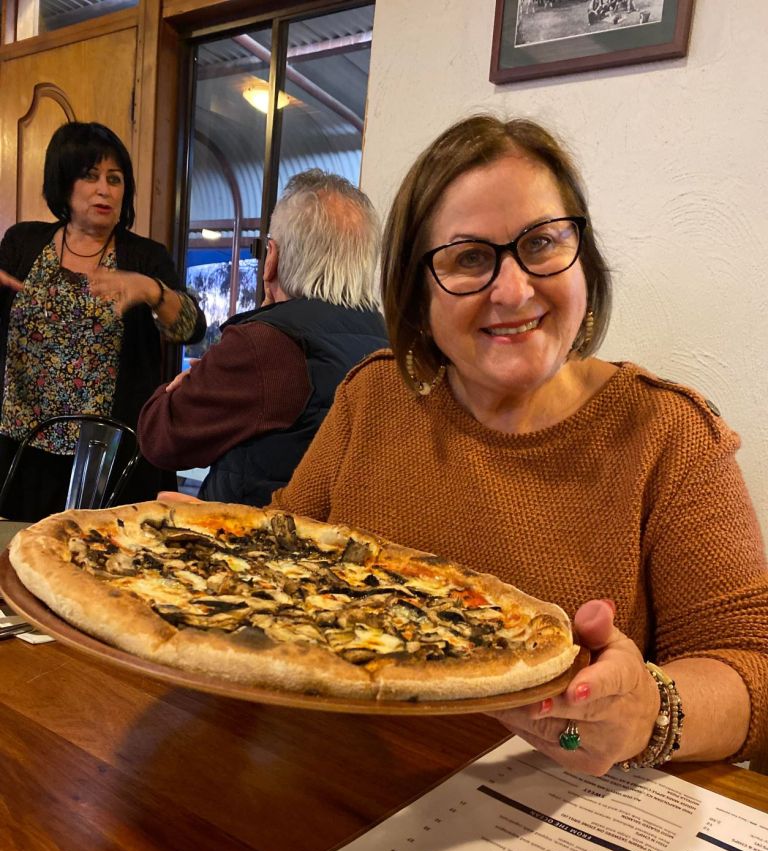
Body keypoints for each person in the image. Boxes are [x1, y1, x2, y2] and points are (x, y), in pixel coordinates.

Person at [263, 114, 768, 776]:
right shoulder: (373, 397)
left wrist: (650, 711)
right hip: (344, 776)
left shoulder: (669, 436)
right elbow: (280, 552)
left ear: (583, 259)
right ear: (416, 292)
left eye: (541, 243)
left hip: (559, 812)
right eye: (470, 258)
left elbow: (752, 666)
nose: (513, 289)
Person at [138, 169, 387, 507]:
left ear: (272, 257)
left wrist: (190, 384)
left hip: (253, 534)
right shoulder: (386, 338)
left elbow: (160, 438)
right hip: (340, 532)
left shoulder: (266, 344)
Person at [0, 121, 206, 520]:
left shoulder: (145, 256)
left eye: (114, 179)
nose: (104, 190)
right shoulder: (23, 242)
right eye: (90, 176)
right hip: (22, 445)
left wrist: (153, 291)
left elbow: (191, 328)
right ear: (64, 183)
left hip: (109, 455)